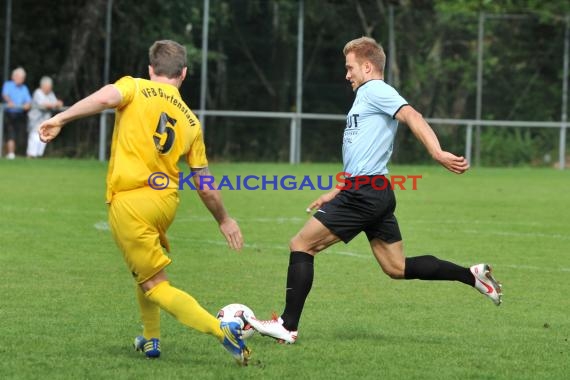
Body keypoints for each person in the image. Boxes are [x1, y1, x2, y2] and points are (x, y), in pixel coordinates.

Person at [247, 37, 503, 344]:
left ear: (367, 67)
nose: (347, 74)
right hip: (371, 190)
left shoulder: (376, 90)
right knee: (396, 267)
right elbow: (362, 152)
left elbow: (412, 115)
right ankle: (471, 275)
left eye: (350, 67)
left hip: (366, 192)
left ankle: (287, 327)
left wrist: (436, 152)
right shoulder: (364, 97)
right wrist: (336, 188)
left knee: (301, 244)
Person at [39, 40, 251, 365]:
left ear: (151, 69)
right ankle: (151, 339)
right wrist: (224, 219)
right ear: (183, 73)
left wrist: (61, 118)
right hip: (165, 204)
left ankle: (222, 331)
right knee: (144, 269)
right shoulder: (192, 122)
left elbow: (106, 97)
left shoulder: (135, 87)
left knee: (155, 283)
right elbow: (205, 184)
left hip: (131, 201)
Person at [27, 76, 63, 158]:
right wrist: (55, 104)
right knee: (34, 138)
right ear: (42, 86)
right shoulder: (38, 92)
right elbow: (44, 104)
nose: (49, 89)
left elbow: (57, 103)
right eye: (47, 87)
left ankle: (38, 157)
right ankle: (30, 157)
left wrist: (57, 103)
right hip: (35, 120)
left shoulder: (51, 93)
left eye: (50, 87)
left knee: (43, 139)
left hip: (45, 121)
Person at [2, 67, 32, 159]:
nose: (22, 79)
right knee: (10, 134)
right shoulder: (8, 85)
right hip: (9, 114)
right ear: (14, 77)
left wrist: (27, 104)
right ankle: (11, 154)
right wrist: (10, 102)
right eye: (20, 77)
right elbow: (5, 95)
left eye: (23, 78)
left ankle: (11, 152)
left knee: (19, 135)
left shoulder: (24, 88)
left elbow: (28, 100)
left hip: (20, 115)